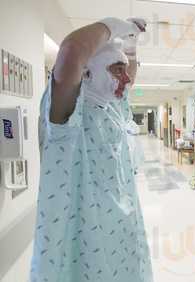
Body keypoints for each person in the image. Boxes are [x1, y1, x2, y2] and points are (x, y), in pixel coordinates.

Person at [30, 18, 153, 282]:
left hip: (121, 240)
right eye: (117, 69)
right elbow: (71, 50)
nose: (127, 78)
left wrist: (130, 48)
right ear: (86, 73)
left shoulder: (113, 110)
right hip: (82, 250)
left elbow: (126, 83)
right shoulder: (67, 119)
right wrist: (116, 25)